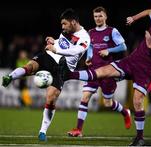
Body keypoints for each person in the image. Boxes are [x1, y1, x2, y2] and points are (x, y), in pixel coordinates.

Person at [60, 4, 151, 145]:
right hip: (131, 61)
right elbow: (149, 11)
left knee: (136, 101)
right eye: (95, 16)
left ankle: (139, 137)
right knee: (100, 76)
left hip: (145, 70)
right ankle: (68, 75)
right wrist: (134, 18)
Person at [1, 8, 90, 141]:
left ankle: (42, 132)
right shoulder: (66, 30)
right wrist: (54, 41)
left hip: (63, 67)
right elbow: (62, 43)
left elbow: (75, 51)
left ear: (73, 22)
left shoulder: (84, 37)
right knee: (30, 66)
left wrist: (56, 48)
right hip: (49, 56)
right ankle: (10, 77)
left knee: (51, 98)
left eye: (64, 23)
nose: (62, 26)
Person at [65, 6, 131, 137]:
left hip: (108, 72)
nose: (98, 19)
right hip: (93, 71)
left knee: (108, 103)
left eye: (100, 16)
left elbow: (123, 46)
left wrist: (109, 51)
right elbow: (90, 46)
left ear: (105, 17)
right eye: (95, 16)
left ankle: (125, 112)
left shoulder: (112, 31)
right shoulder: (90, 32)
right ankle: (78, 129)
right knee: (85, 97)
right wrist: (89, 57)